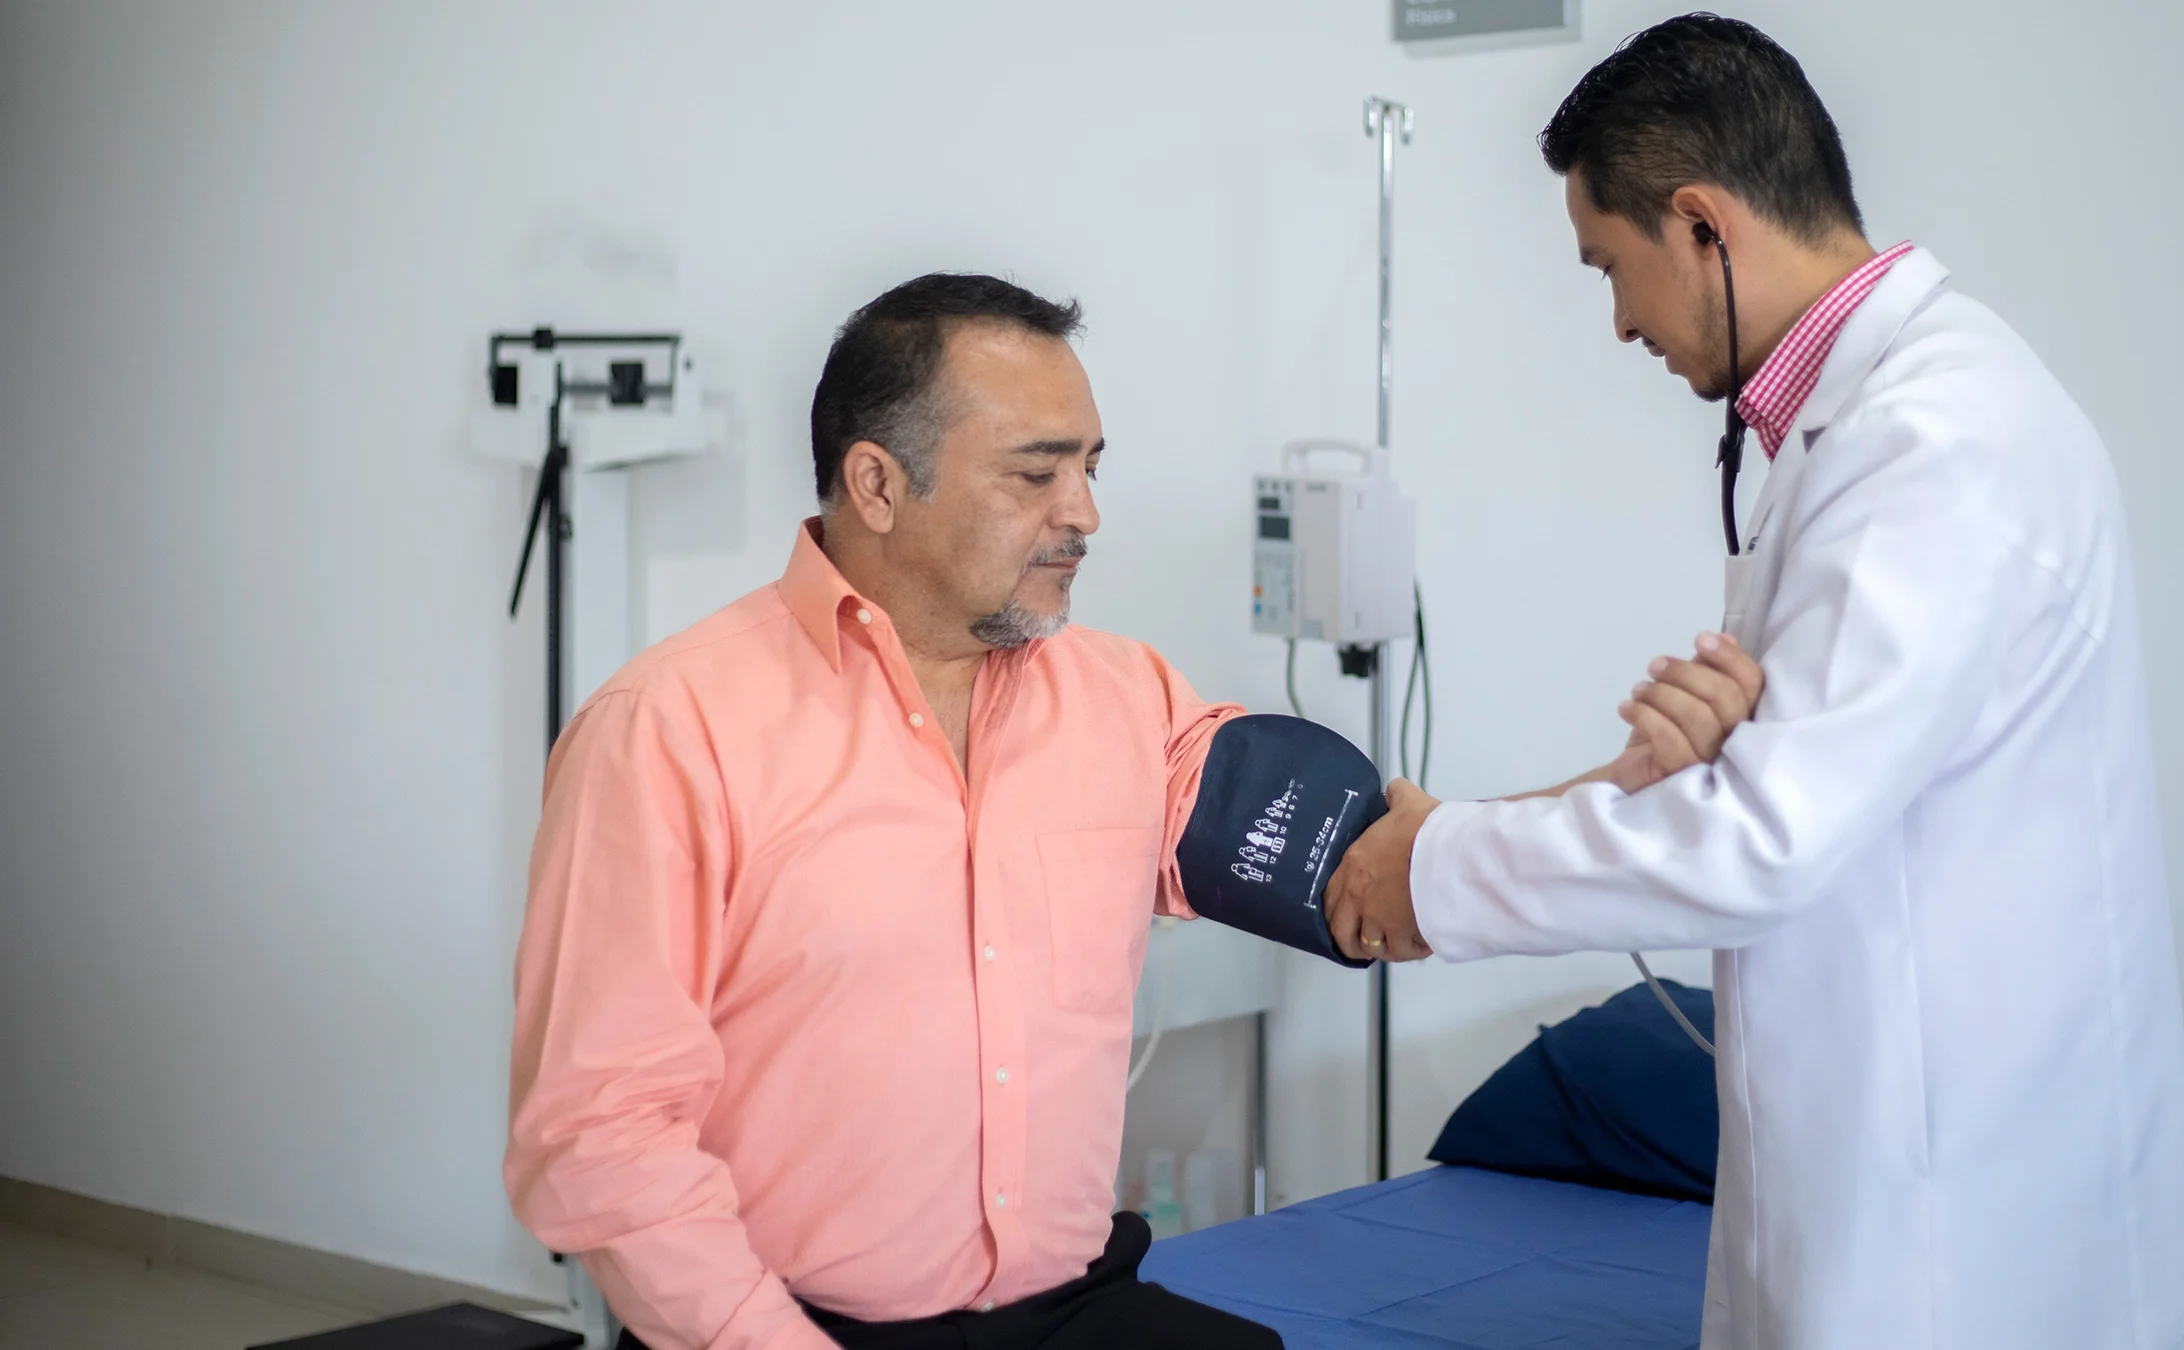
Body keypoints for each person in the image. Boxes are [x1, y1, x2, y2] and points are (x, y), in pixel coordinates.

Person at [504, 272, 1761, 1350]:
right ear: (877, 484)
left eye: (1091, 467)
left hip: (1071, 1314)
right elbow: (598, 1134)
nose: (1085, 513)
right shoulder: (669, 731)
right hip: (789, 1327)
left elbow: (1373, 879)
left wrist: (1620, 788)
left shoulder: (1123, 700)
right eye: (1036, 473)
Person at [1325, 16, 2184, 1350]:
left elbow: (1763, 836)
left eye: (1610, 269)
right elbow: (1787, 788)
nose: (1620, 321)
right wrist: (1576, 800)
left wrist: (1437, 873)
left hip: (1956, 1229)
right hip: (1893, 1162)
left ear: (1701, 225)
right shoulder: (1863, 430)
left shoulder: (1935, 441)